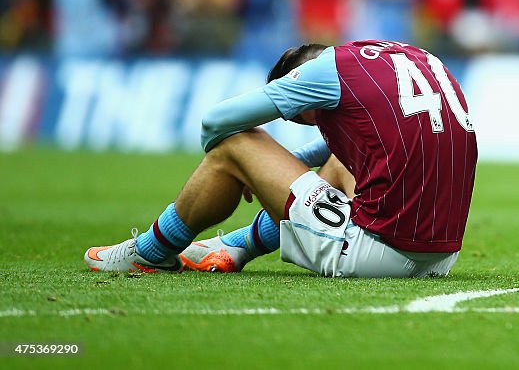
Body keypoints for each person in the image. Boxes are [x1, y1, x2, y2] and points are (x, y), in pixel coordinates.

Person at [84, 41, 477, 278]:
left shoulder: (324, 74)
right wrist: (272, 171)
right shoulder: (400, 57)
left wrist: (238, 167)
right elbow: (343, 149)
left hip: (380, 253)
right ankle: (235, 246)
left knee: (234, 143)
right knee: (343, 160)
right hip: (441, 256)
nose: (315, 124)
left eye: (304, 116)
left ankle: (149, 252)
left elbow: (214, 122)